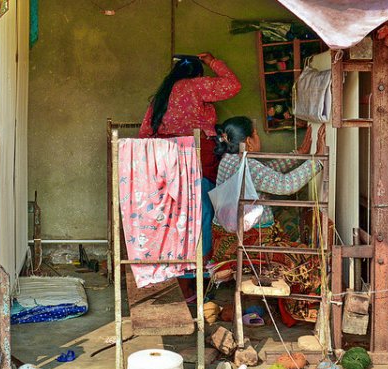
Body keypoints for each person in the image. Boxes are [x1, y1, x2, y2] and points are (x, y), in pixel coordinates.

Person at [138, 53, 241, 303]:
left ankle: (182, 284)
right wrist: (213, 60)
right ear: (197, 74)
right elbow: (233, 85)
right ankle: (200, 278)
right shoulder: (194, 86)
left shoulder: (162, 96)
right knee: (202, 216)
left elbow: (144, 134)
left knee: (175, 221)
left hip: (165, 163)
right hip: (194, 158)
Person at [211, 116, 325, 262]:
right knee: (307, 260)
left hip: (225, 238)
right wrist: (318, 161)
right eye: (256, 134)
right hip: (249, 242)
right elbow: (286, 185)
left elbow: (264, 173)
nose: (259, 138)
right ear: (249, 142)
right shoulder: (247, 165)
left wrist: (298, 155)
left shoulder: (228, 160)